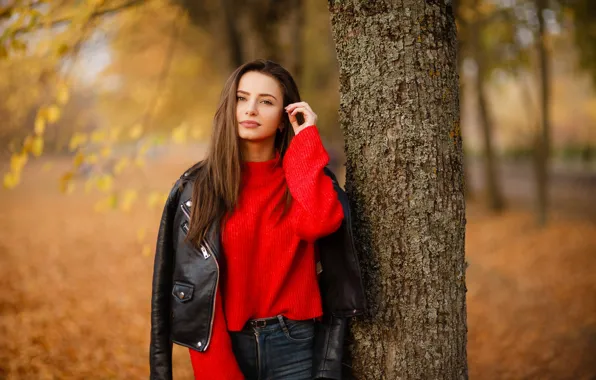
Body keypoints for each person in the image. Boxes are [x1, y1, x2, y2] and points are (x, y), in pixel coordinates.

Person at [149, 59, 366, 380]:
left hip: (294, 343)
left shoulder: (303, 178)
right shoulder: (198, 187)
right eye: (241, 98)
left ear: (284, 118)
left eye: (266, 102)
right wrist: (216, 367)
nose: (250, 109)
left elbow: (319, 223)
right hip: (224, 343)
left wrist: (306, 138)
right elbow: (192, 290)